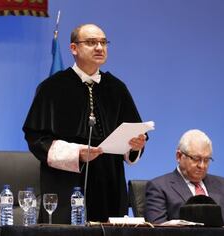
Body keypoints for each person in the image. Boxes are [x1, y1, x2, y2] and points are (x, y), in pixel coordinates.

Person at [22, 23, 147, 223]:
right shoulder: (52, 88)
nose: (99, 47)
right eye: (91, 42)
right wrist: (76, 153)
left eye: (103, 42)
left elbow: (132, 133)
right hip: (66, 181)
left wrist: (135, 146)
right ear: (74, 48)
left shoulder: (117, 88)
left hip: (109, 181)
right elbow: (36, 138)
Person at [145, 129, 224, 226]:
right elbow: (157, 230)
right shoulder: (159, 187)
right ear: (179, 156)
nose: (202, 166)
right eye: (196, 159)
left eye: (207, 160)